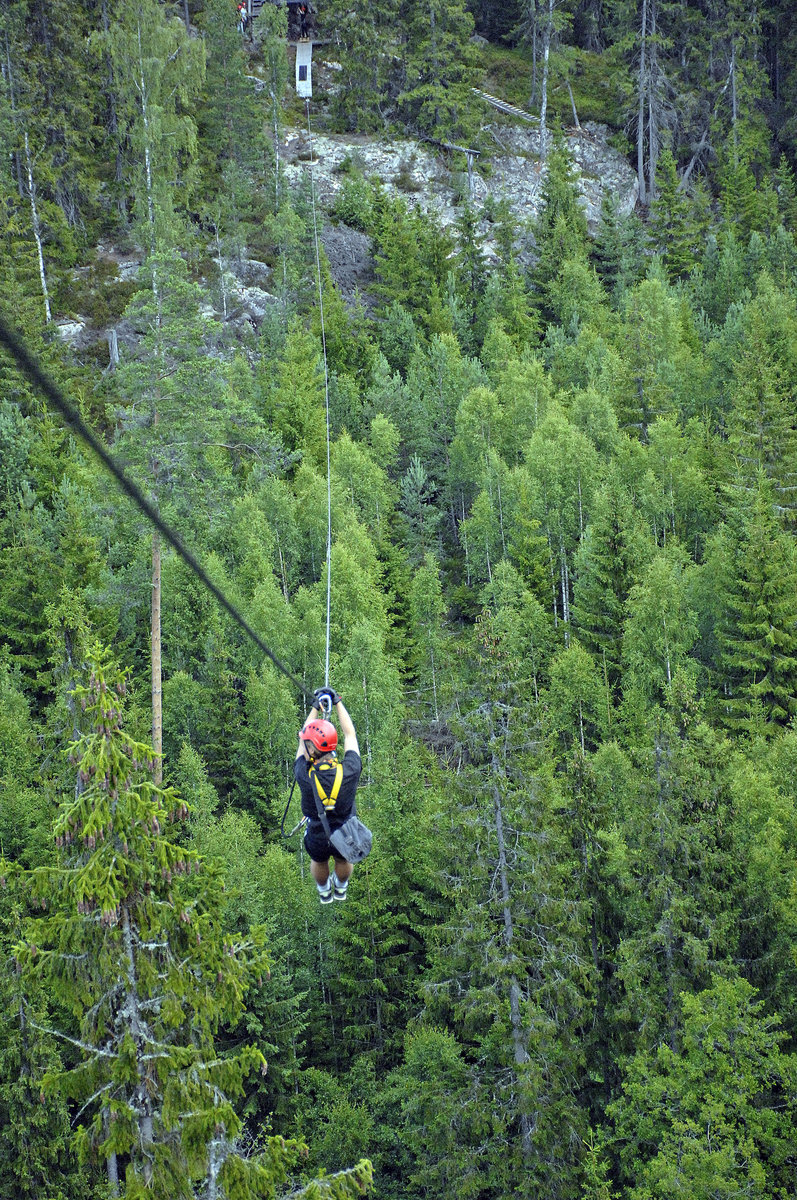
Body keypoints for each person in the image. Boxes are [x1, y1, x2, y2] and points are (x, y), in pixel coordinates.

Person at [295, 687, 361, 903]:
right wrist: (338, 700)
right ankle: (341, 886)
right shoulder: (350, 770)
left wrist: (315, 707)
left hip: (317, 831)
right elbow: (350, 734)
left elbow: (301, 744)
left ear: (312, 750)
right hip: (345, 830)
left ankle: (324, 889)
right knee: (343, 859)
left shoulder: (304, 775)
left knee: (319, 860)